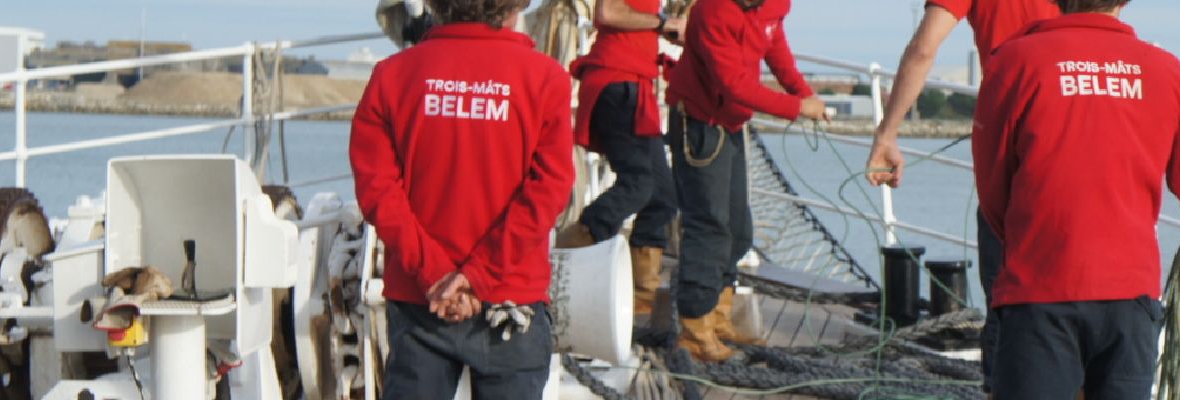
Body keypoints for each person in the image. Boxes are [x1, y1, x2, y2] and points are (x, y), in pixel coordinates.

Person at [971, 0, 1180, 398]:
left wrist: (1023, 237)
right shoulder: (1163, 69)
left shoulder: (1014, 61)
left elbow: (991, 182)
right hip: (1129, 293)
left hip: (1039, 289)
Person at [350, 0, 577, 398]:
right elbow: (550, 189)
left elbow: (377, 190)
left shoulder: (392, 76)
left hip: (422, 302)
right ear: (517, 5)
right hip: (511, 298)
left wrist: (436, 273)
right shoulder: (546, 79)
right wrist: (477, 277)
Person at [857, 0, 1059, 384]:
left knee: (1007, 291)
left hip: (1008, 135)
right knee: (1081, 296)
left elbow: (924, 48)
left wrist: (887, 133)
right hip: (1078, 132)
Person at [664, 0, 831, 362]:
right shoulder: (714, 11)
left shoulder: (772, 5)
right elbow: (734, 84)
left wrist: (801, 91)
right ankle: (694, 329)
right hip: (700, 122)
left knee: (738, 229)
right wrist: (796, 108)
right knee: (708, 225)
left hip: (730, 123)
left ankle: (716, 317)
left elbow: (774, 46)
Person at [558, 0, 686, 316]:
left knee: (663, 197)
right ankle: (565, 257)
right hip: (617, 83)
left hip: (634, 84)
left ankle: (640, 298)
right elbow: (609, 14)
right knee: (639, 183)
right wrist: (662, 23)